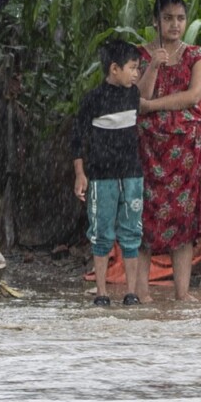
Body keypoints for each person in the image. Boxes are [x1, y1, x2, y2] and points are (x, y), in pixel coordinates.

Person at [135, 0, 201, 302]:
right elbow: (139, 97)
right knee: (143, 217)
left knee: (184, 219)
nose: (175, 24)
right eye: (168, 18)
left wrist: (154, 107)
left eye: (180, 18)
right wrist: (153, 66)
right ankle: (141, 291)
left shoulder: (196, 55)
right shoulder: (140, 55)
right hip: (147, 147)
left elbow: (194, 96)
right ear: (156, 21)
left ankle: (182, 292)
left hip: (185, 150)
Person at [72, 38, 146, 308]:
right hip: (101, 177)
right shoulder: (93, 99)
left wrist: (157, 65)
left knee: (131, 231)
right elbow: (77, 138)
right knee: (101, 232)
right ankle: (101, 291)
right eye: (133, 68)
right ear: (114, 69)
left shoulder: (134, 95)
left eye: (138, 68)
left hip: (131, 175)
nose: (136, 73)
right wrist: (80, 174)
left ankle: (131, 292)